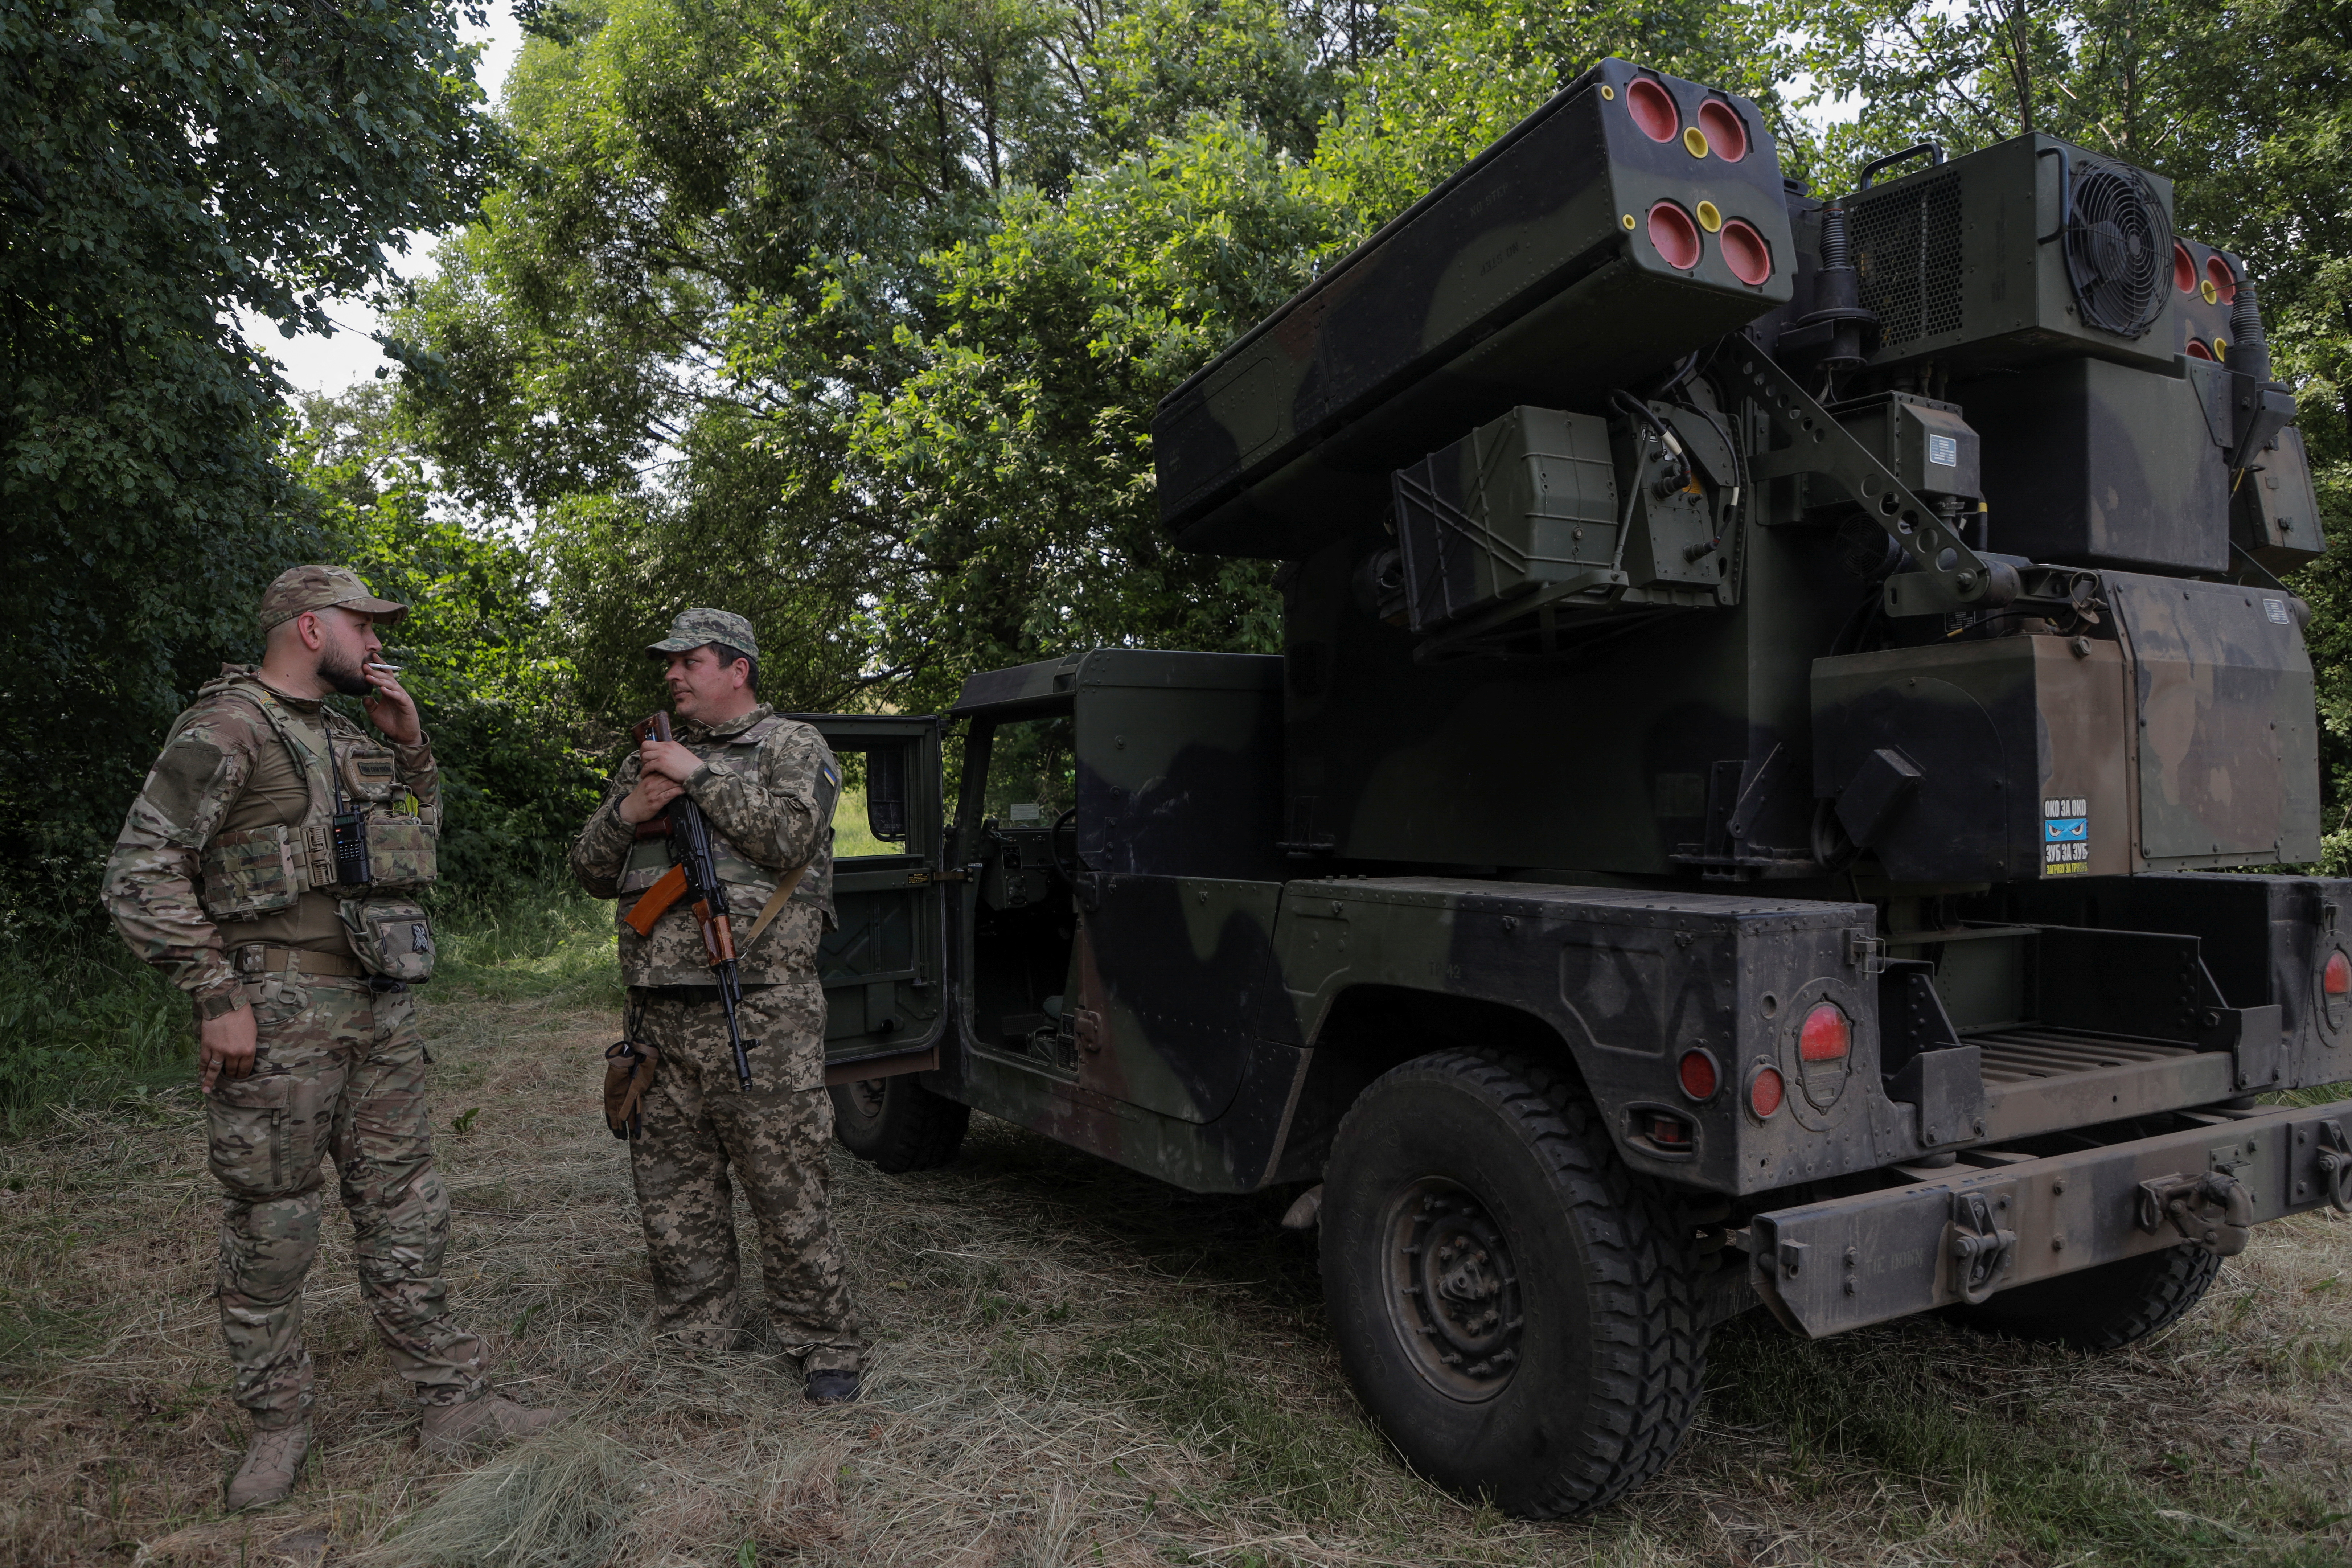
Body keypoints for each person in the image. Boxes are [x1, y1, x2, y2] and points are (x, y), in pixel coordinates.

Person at [102, 566, 557, 1512]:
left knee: (407, 1206)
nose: (378, 643)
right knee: (274, 1224)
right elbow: (140, 871)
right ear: (310, 628)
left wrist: (411, 748)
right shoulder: (227, 728)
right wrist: (215, 993)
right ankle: (278, 1424)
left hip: (378, 1008)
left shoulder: (351, 737)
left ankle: (454, 1400)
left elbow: (414, 847)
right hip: (277, 1017)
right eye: (364, 625)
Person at [569, 608, 865, 1402]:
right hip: (657, 1014)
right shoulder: (646, 761)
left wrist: (696, 777)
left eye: (689, 660)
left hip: (761, 1009)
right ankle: (697, 1330)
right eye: (668, 663)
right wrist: (630, 811)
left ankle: (824, 1339)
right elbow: (590, 871)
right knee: (672, 1188)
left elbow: (793, 838)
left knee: (786, 1183)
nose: (672, 674)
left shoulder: (791, 745)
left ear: (738, 669)